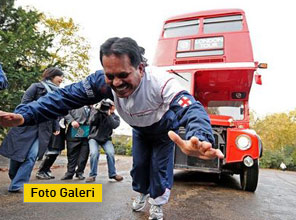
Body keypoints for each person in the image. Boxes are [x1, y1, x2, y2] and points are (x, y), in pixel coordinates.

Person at [0, 37, 223, 219]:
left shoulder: (161, 82)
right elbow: (63, 98)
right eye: (111, 76)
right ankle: (142, 194)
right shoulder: (100, 82)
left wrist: (199, 136)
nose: (117, 83)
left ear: (141, 68)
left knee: (159, 169)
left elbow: (191, 107)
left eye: (124, 75)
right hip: (140, 131)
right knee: (139, 168)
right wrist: (23, 115)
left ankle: (157, 204)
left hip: (165, 131)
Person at [0, 67, 64, 192]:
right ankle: (14, 176)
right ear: (52, 76)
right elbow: (24, 103)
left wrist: (56, 126)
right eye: (60, 76)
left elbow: (56, 111)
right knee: (18, 155)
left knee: (32, 156)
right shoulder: (36, 87)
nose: (62, 79)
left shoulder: (58, 93)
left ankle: (17, 185)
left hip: (43, 129)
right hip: (27, 125)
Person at [86, 98, 123, 182]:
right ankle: (92, 175)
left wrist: (108, 115)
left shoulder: (115, 117)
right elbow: (92, 121)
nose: (111, 108)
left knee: (110, 153)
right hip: (94, 137)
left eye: (113, 106)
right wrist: (98, 111)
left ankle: (113, 174)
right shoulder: (97, 113)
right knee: (94, 153)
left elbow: (113, 125)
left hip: (106, 139)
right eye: (110, 106)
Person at [60, 106, 91, 180]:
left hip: (87, 133)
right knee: (72, 154)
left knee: (84, 155)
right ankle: (70, 173)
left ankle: (80, 172)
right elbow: (64, 111)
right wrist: (71, 121)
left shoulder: (93, 106)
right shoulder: (74, 101)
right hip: (75, 130)